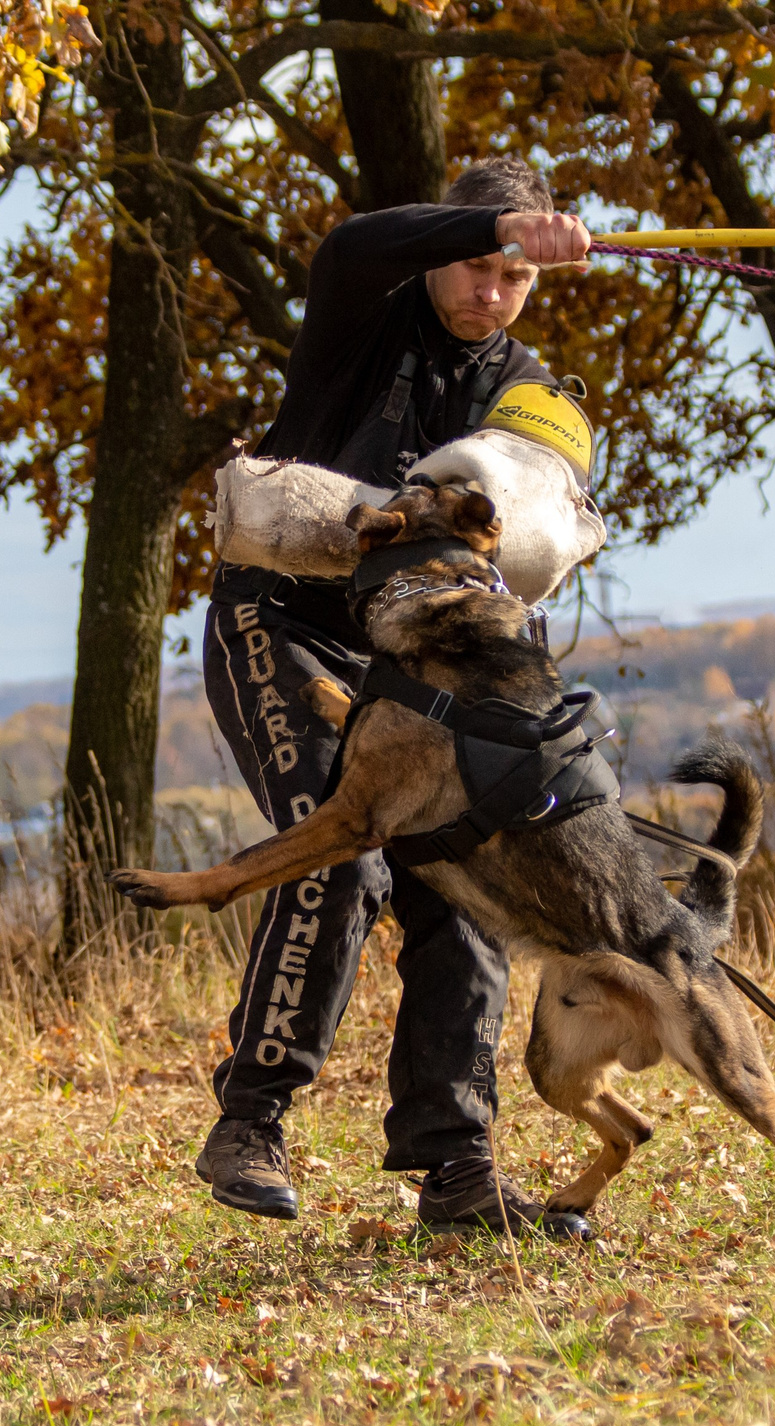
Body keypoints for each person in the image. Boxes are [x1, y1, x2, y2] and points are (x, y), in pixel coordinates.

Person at [194, 159, 594, 1235]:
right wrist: (505, 220)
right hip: (278, 624)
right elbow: (349, 245)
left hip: (414, 663)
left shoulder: (528, 394)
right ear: (441, 254)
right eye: (476, 264)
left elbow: (524, 547)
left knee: (464, 880)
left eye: (514, 276)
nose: (492, 291)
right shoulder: (362, 317)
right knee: (342, 849)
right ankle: (252, 1117)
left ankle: (456, 1168)